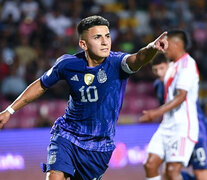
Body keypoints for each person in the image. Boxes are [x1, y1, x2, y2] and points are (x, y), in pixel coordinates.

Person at [0, 15, 168, 180]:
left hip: (99, 146)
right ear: (83, 44)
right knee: (54, 176)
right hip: (67, 135)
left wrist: (152, 47)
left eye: (107, 36)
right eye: (98, 37)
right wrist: (9, 111)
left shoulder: (117, 63)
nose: (105, 42)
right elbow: (41, 84)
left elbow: (138, 58)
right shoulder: (68, 64)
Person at [139, 29, 199, 180]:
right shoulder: (172, 66)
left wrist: (155, 113)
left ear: (177, 44)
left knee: (172, 171)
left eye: (168, 44)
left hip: (182, 127)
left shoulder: (188, 65)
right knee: (150, 164)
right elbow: (157, 66)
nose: (165, 48)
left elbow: (181, 97)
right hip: (167, 125)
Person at [151, 54, 207, 180]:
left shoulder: (181, 79)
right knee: (167, 174)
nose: (159, 73)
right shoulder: (158, 86)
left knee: (201, 174)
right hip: (176, 132)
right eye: (156, 70)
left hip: (197, 132)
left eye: (162, 68)